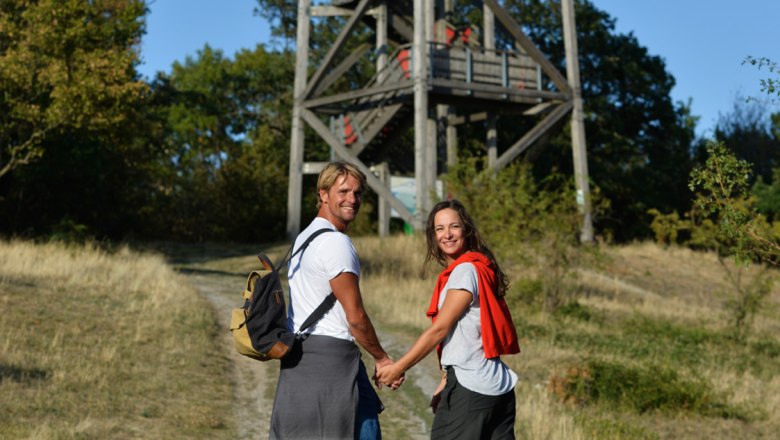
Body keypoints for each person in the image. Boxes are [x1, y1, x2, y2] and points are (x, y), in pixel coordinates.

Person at [270, 161, 400, 440]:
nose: (352, 199)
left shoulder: (303, 239)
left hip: (299, 359)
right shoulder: (335, 243)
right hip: (331, 362)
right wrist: (382, 358)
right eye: (343, 191)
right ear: (323, 193)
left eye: (357, 193)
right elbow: (355, 316)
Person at [375, 199, 520, 440]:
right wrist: (446, 379)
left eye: (454, 227)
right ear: (433, 235)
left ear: (467, 230)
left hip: (472, 388)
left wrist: (399, 367)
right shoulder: (478, 266)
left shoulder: (465, 272)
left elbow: (440, 329)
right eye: (439, 229)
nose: (447, 235)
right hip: (497, 386)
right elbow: (472, 333)